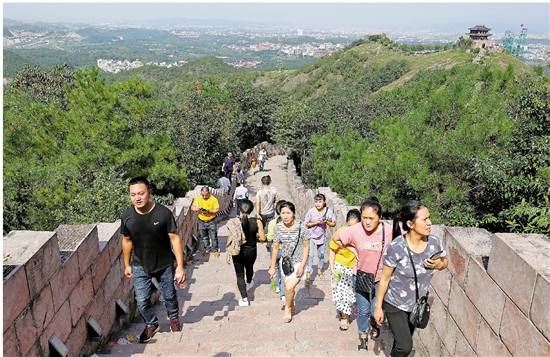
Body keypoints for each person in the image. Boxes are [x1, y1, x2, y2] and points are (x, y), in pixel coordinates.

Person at [374, 200, 448, 357]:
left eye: (429, 218)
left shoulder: (434, 243)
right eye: (424, 219)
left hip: (416, 305)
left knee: (400, 341)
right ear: (410, 223)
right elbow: (385, 279)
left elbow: (445, 262)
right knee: (405, 347)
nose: (430, 223)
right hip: (395, 303)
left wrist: (438, 265)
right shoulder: (395, 248)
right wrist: (378, 307)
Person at [120, 176, 186, 343]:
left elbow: (175, 239)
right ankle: (151, 324)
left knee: (169, 295)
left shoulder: (163, 213)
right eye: (133, 194)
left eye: (141, 193)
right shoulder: (127, 216)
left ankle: (173, 319)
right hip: (140, 264)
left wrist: (180, 266)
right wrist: (126, 264)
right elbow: (126, 241)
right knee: (141, 301)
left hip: (164, 263)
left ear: (150, 192)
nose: (137, 198)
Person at [333, 199, 393, 350]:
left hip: (380, 278)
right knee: (363, 309)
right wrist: (351, 247)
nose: (367, 222)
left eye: (371, 218)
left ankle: (374, 324)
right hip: (360, 276)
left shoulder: (389, 230)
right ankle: (363, 335)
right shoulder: (355, 229)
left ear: (379, 217)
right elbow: (335, 238)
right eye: (364, 217)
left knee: (374, 310)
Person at [268, 201, 310, 323]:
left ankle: (287, 308)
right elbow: (275, 247)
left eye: (288, 213)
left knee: (289, 286)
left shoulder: (301, 226)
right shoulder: (278, 227)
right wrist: (272, 267)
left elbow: (306, 247)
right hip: (285, 262)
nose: (285, 216)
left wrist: (302, 266)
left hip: (298, 261)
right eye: (283, 213)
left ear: (294, 214)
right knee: (288, 289)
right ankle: (292, 305)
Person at [227, 199, 266, 306]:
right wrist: (255, 237)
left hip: (238, 251)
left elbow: (230, 238)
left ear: (239, 209)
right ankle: (249, 282)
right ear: (252, 209)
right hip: (251, 251)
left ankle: (244, 299)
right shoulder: (257, 221)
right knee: (249, 268)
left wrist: (228, 253)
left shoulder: (235, 222)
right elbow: (262, 238)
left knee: (239, 275)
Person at [329, 208, 360, 331]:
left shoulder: (361, 236)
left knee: (351, 293)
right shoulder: (340, 233)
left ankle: (350, 311)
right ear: (346, 222)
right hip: (340, 267)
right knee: (341, 292)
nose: (351, 229)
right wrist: (332, 268)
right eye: (349, 225)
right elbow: (332, 250)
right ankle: (344, 317)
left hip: (353, 269)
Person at [304, 193, 336, 286]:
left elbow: (333, 223)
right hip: (311, 235)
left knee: (321, 254)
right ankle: (308, 273)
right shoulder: (310, 211)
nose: (318, 204)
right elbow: (306, 223)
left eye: (320, 202)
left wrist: (326, 222)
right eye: (316, 202)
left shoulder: (328, 211)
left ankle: (319, 270)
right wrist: (316, 223)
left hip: (322, 235)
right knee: (310, 255)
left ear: (324, 202)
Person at [266, 199, 287, 301]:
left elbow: (269, 238)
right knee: (284, 272)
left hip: (274, 249)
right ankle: (283, 294)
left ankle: (275, 286)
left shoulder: (272, 223)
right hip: (285, 250)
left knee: (275, 267)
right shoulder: (289, 223)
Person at [191, 186, 221, 258]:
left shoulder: (213, 199)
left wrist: (209, 211)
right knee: (204, 237)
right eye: (203, 195)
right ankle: (207, 249)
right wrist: (197, 209)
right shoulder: (198, 198)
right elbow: (192, 207)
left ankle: (215, 250)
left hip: (211, 220)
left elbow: (217, 209)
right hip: (201, 220)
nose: (204, 196)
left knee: (213, 236)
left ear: (209, 193)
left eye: (206, 195)